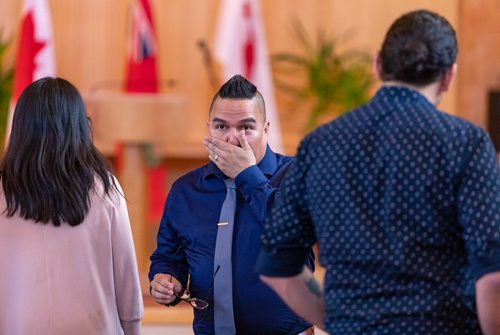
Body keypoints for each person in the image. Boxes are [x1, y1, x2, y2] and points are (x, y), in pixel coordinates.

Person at [256, 9, 500, 335]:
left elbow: (277, 265)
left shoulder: (320, 145)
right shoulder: (466, 143)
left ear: (378, 64)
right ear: (448, 76)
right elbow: (492, 273)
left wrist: (345, 322)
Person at [149, 74, 315, 334]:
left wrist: (248, 175)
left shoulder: (297, 174)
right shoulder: (185, 189)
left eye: (246, 128)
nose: (233, 138)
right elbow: (169, 259)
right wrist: (165, 281)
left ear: (267, 129)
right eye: (221, 127)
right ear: (208, 128)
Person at [0, 77, 143, 334]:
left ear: (19, 127)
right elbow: (126, 274)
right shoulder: (104, 187)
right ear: (79, 126)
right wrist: (133, 327)